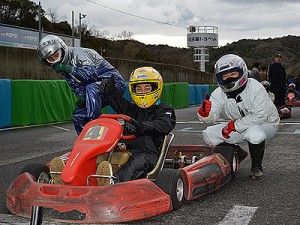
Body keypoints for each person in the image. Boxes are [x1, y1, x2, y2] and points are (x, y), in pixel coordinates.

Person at [197, 54, 280, 180]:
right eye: (224, 76)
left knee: (254, 133)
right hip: (238, 126)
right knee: (209, 134)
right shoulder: (219, 93)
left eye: (233, 74)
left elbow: (259, 116)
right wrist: (204, 113)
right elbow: (212, 115)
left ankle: (256, 167)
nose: (228, 78)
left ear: (243, 71)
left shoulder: (256, 87)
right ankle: (239, 153)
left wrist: (233, 125)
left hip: (266, 124)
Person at [98, 67, 176, 184]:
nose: (143, 91)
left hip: (149, 154)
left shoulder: (164, 109)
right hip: (126, 150)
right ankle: (83, 178)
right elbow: (117, 102)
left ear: (156, 88)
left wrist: (140, 127)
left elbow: (163, 124)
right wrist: (109, 91)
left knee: (134, 164)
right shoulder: (132, 109)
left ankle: (113, 184)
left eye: (147, 88)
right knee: (100, 156)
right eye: (139, 88)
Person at [37, 35, 125, 135]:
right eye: (51, 59)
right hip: (96, 90)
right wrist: (83, 98)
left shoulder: (78, 53)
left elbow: (91, 75)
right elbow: (77, 88)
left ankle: (93, 125)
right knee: (78, 115)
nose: (55, 60)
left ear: (62, 49)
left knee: (91, 87)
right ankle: (86, 142)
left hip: (114, 83)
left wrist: (69, 69)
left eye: (56, 55)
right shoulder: (64, 70)